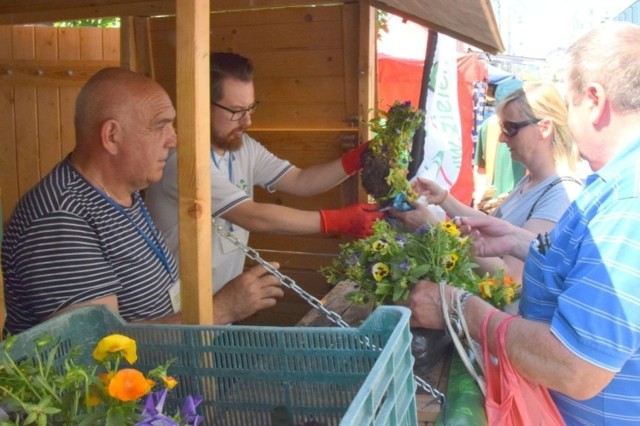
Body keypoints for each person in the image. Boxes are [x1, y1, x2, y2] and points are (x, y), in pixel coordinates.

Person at [408, 22, 640, 424]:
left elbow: (575, 367)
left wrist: (459, 306)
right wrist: (521, 243)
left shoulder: (628, 200)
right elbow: (586, 275)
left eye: (569, 104)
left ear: (595, 99)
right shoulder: (618, 182)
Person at [1, 67, 283, 335]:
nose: (173, 140)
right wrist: (221, 310)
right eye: (160, 126)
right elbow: (100, 352)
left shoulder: (124, 191)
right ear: (112, 136)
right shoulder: (60, 219)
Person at [145, 52, 382, 292]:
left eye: (251, 108)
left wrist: (356, 159)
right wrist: (340, 221)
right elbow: (252, 216)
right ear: (201, 106)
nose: (247, 121)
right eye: (237, 111)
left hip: (219, 305)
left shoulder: (244, 146)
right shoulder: (182, 160)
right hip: (177, 310)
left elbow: (301, 181)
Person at [394, 82, 583, 283]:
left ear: (544, 128)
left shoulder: (561, 194)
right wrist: (443, 198)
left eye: (510, 128)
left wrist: (434, 229)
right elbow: (494, 224)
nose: (501, 138)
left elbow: (511, 276)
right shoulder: (532, 181)